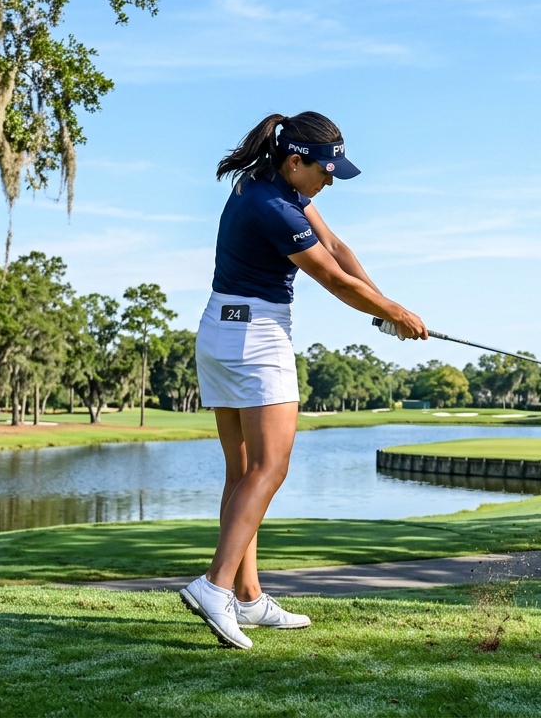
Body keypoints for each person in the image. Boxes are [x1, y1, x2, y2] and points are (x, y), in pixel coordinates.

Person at [180, 111, 428, 650]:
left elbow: (338, 249)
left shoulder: (271, 184)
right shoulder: (274, 208)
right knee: (271, 466)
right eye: (326, 170)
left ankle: (246, 595)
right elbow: (331, 279)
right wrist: (395, 313)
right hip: (256, 338)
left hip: (221, 330)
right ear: (296, 162)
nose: (331, 180)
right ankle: (214, 586)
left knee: (244, 471)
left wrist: (384, 306)